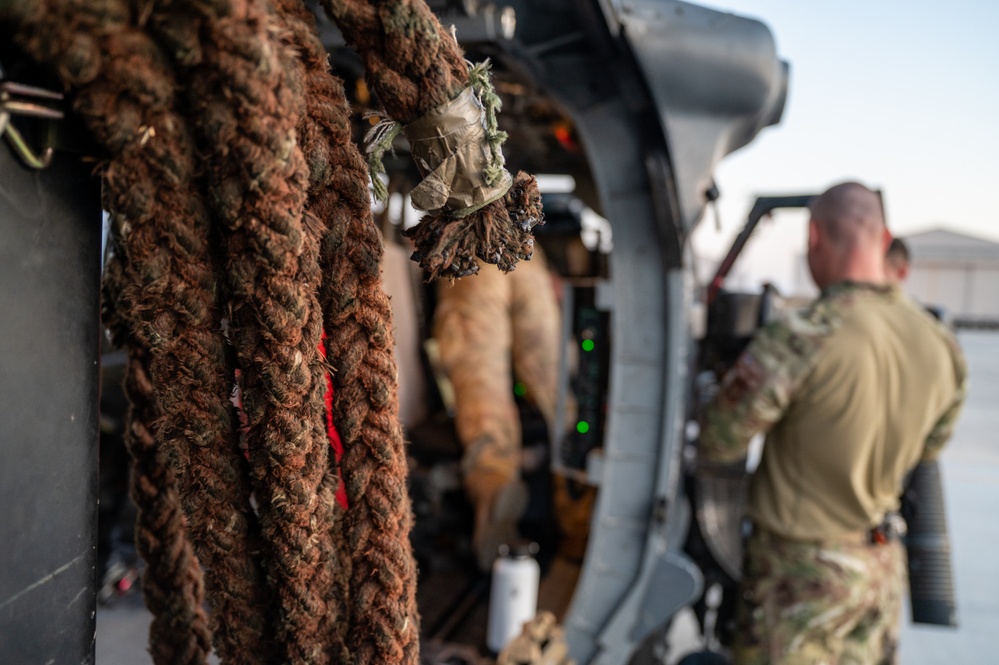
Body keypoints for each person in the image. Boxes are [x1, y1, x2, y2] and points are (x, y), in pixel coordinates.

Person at [697, 181, 967, 664]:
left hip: (800, 584)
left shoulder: (803, 334)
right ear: (884, 240)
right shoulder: (941, 345)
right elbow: (928, 450)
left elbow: (719, 439)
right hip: (880, 573)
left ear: (814, 239)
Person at [433, 249, 563, 571]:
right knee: (556, 385)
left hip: (470, 247)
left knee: (482, 378)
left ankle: (494, 484)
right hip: (523, 249)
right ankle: (575, 494)